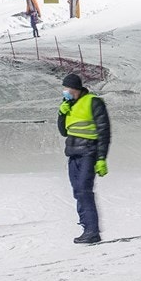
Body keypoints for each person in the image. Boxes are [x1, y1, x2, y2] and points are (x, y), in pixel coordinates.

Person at [57, 72, 110, 244]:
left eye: (68, 88)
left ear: (76, 89)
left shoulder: (93, 102)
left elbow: (104, 131)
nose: (66, 91)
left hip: (89, 152)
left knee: (83, 190)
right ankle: (86, 227)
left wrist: (101, 158)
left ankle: (92, 231)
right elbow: (63, 131)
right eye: (64, 88)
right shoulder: (68, 104)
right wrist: (61, 114)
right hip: (73, 154)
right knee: (77, 191)